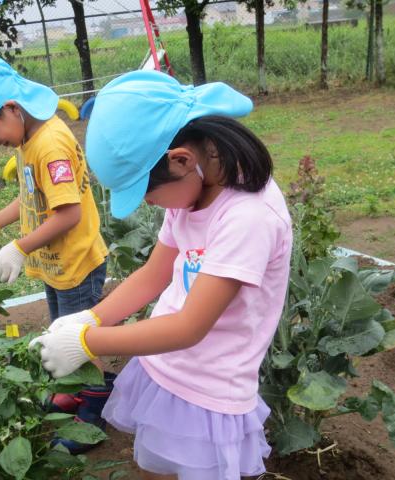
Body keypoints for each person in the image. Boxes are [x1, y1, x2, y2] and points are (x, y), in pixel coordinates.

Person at [30, 71, 293, 480]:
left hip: (209, 394)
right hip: (164, 369)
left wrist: (87, 342)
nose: (151, 204)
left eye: (147, 193)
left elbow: (190, 327)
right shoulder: (192, 190)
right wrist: (92, 318)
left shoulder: (249, 218)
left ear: (182, 159)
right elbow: (154, 274)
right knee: (154, 466)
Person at [0, 53, 113, 452]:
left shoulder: (49, 145)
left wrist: (19, 247)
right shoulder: (28, 139)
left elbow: (69, 213)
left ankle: (94, 407)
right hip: (56, 265)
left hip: (75, 263)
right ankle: (75, 388)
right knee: (61, 332)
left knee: (79, 338)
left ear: (11, 108)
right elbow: (30, 197)